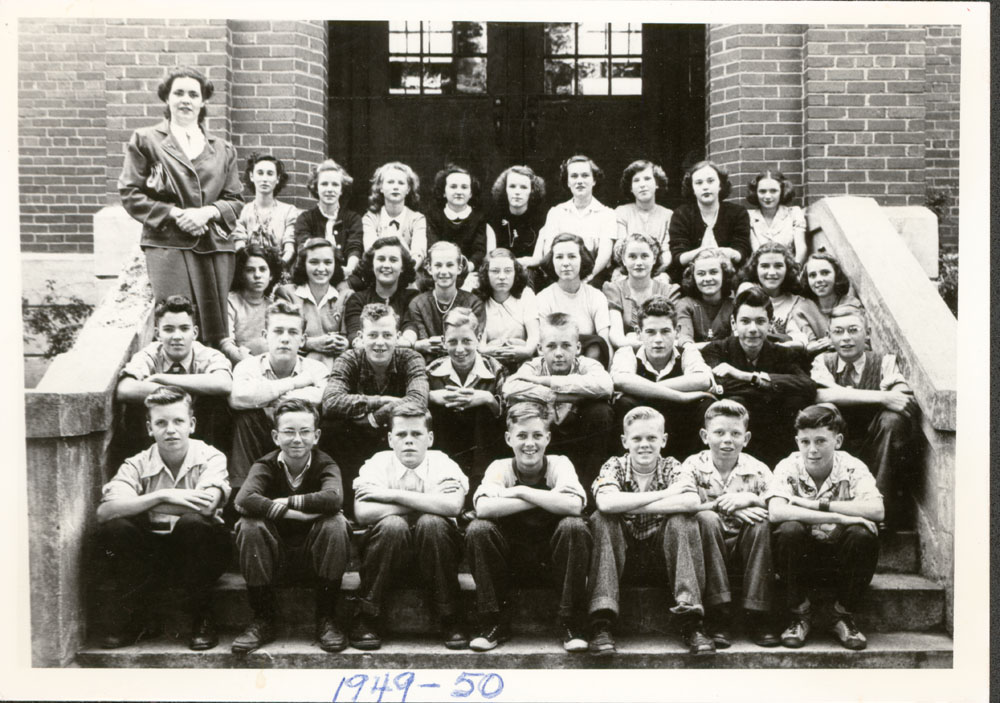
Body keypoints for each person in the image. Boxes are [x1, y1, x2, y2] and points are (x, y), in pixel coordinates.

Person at [93, 386, 230, 651]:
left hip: (200, 551)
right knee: (117, 529)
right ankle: (139, 618)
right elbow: (105, 512)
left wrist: (139, 504)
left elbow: (205, 507)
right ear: (149, 428)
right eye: (161, 423)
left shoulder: (211, 457)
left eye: (178, 421)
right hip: (152, 555)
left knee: (193, 525)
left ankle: (201, 617)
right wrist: (161, 496)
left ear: (191, 424)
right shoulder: (136, 464)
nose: (170, 429)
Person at [118, 66, 243, 347]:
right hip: (167, 244)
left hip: (215, 246)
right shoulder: (146, 140)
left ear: (203, 101)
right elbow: (130, 193)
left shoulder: (223, 149)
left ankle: (212, 387)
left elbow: (235, 201)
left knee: (215, 329)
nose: (186, 99)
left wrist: (206, 213)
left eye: (193, 94)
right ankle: (175, 388)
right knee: (176, 321)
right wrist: (174, 213)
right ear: (167, 99)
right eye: (179, 93)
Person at [465, 400, 592, 653]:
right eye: (521, 435)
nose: (529, 443)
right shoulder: (499, 468)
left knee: (574, 527)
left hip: (553, 559)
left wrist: (521, 492)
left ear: (547, 437)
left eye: (536, 435)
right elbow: (484, 509)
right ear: (508, 438)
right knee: (478, 530)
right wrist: (545, 500)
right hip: (511, 562)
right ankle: (494, 622)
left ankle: (570, 623)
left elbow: (574, 506)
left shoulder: (559, 464)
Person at [587, 406, 714, 657]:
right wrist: (666, 494)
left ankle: (691, 620)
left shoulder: (671, 466)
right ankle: (601, 621)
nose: (644, 445)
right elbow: (606, 503)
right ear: (625, 441)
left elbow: (690, 501)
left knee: (683, 520)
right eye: (636, 438)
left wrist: (632, 502)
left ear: (663, 440)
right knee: (602, 518)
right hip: (622, 556)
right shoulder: (614, 465)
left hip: (661, 556)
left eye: (651, 438)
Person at [231, 399, 351, 654]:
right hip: (274, 559)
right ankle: (263, 617)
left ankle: (326, 618)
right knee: (249, 525)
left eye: (304, 431)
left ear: (316, 435)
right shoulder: (265, 465)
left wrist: (287, 500)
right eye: (288, 431)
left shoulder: (325, 464)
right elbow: (243, 499)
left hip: (314, 558)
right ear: (275, 436)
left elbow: (333, 498)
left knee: (336, 524)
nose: (297, 439)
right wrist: (299, 515)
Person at [350, 404, 469, 651]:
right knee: (393, 525)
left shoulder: (443, 462)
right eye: (402, 435)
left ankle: (450, 615)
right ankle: (368, 615)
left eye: (416, 434)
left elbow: (453, 506)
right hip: (387, 555)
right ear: (390, 439)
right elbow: (362, 512)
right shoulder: (378, 463)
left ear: (430, 438)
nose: (409, 442)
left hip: (437, 553)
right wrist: (427, 501)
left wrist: (388, 495)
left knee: (432, 522)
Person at [767, 404, 884, 651]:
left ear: (838, 440)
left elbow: (876, 510)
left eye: (821, 441)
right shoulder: (788, 466)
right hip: (801, 558)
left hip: (840, 557)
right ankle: (800, 614)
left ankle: (841, 615)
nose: (812, 450)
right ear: (797, 441)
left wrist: (818, 505)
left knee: (863, 534)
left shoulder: (852, 467)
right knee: (789, 530)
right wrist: (843, 517)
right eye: (805, 441)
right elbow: (776, 511)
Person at [811, 305, 918, 525]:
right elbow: (821, 395)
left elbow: (901, 395)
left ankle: (880, 510)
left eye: (853, 330)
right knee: (822, 413)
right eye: (838, 332)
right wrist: (882, 397)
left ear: (867, 333)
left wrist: (887, 396)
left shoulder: (884, 361)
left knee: (893, 420)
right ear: (829, 336)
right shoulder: (823, 361)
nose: (846, 338)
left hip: (876, 444)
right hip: (840, 444)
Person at [684, 400, 779, 648]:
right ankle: (719, 613)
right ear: (705, 436)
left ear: (746, 438)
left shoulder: (757, 469)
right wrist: (725, 506)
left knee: (762, 521)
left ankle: (757, 613)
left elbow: (779, 504)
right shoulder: (692, 466)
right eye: (719, 433)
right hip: (707, 545)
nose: (727, 440)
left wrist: (750, 499)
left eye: (735, 433)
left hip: (746, 546)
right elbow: (684, 504)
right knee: (705, 517)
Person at [321, 304, 429, 514]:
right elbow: (330, 401)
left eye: (387, 335)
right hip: (357, 438)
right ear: (361, 337)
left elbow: (418, 401)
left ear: (397, 337)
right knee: (331, 426)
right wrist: (380, 400)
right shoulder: (349, 359)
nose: (380, 343)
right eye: (373, 335)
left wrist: (375, 417)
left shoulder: (411, 358)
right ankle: (347, 508)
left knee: (423, 420)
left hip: (394, 433)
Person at [701, 286, 817, 467]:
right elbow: (723, 386)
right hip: (734, 440)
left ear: (770, 324)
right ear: (733, 323)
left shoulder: (782, 353)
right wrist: (772, 388)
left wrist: (749, 377)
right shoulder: (716, 350)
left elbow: (808, 385)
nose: (753, 329)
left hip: (775, 439)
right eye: (745, 321)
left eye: (760, 321)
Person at [503, 313, 613, 496]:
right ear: (540, 348)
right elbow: (510, 388)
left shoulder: (588, 365)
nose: (559, 353)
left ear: (578, 347)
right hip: (544, 438)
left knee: (601, 412)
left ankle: (589, 497)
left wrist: (548, 381)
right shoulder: (532, 366)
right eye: (551, 346)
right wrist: (563, 396)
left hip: (580, 439)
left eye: (566, 345)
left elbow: (606, 385)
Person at [228, 301, 329, 493]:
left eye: (292, 332)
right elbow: (238, 398)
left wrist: (266, 397)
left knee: (315, 419)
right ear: (265, 336)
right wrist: (294, 384)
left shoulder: (316, 368)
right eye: (278, 331)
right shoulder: (248, 366)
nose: (285, 339)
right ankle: (244, 492)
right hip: (258, 437)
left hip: (300, 440)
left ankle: (312, 490)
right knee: (246, 418)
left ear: (302, 339)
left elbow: (322, 397)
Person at [116, 295, 233, 454]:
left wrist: (162, 379)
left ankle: (210, 464)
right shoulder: (150, 354)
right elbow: (125, 389)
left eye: (184, 329)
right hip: (159, 432)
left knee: (217, 401)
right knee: (134, 406)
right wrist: (183, 393)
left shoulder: (207, 354)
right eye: (169, 329)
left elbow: (224, 384)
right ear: (158, 334)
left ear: (195, 332)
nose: (177, 336)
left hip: (199, 429)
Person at [610, 296, 714, 459]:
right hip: (643, 434)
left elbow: (703, 379)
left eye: (665, 331)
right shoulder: (627, 352)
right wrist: (681, 396)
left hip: (679, 430)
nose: (658, 339)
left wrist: (647, 387)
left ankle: (695, 466)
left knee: (705, 404)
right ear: (638, 333)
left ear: (677, 332)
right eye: (650, 332)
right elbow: (621, 380)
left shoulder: (687, 352)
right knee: (625, 403)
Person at [427, 307, 506, 506]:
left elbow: (509, 413)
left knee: (482, 411)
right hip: (446, 439)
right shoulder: (432, 371)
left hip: (483, 442)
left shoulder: (495, 369)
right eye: (452, 341)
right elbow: (414, 403)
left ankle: (478, 492)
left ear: (478, 338)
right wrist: (431, 397)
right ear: (443, 341)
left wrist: (488, 399)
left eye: (467, 341)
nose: (460, 349)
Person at [528, 155, 616, 285]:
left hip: (593, 277)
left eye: (585, 175)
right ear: (568, 182)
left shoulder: (607, 214)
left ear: (594, 181)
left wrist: (588, 277)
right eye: (574, 176)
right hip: (559, 276)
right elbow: (549, 250)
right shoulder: (556, 212)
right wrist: (561, 277)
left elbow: (605, 253)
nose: (579, 181)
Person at [666, 160, 750, 284]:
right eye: (699, 183)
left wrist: (730, 253)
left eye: (710, 181)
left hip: (730, 280)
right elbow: (678, 258)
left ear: (720, 185)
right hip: (691, 281)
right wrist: (707, 251)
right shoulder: (681, 214)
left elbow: (741, 253)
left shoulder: (737, 213)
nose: (705, 186)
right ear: (692, 188)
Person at [535, 233, 612, 366]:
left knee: (596, 345)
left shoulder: (596, 296)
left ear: (582, 259)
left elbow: (605, 342)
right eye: (559, 257)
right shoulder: (543, 298)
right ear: (551, 261)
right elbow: (543, 345)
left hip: (590, 365)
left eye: (572, 256)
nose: (565, 263)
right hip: (556, 362)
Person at [738, 242, 826, 353]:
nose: (772, 272)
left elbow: (800, 337)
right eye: (765, 266)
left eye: (778, 266)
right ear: (755, 269)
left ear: (787, 268)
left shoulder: (797, 302)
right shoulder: (746, 292)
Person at [402, 241, 486, 358]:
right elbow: (424, 343)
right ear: (429, 268)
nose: (444, 271)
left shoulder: (473, 303)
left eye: (450, 265)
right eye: (438, 265)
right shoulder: (418, 304)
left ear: (459, 268)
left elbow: (474, 342)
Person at [275, 238, 349, 370]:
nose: (321, 268)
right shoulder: (287, 294)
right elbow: (282, 335)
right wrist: (310, 343)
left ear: (335, 265)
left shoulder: (345, 296)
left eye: (328, 262)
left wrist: (345, 343)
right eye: (314, 262)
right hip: (297, 366)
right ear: (304, 264)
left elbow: (348, 336)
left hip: (336, 367)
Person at [604, 232, 680, 351]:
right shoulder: (614, 289)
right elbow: (617, 338)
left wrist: (632, 338)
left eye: (644, 256)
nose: (638, 262)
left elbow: (676, 337)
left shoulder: (668, 291)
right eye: (632, 256)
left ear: (654, 258)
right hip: (627, 353)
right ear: (623, 259)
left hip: (663, 353)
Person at [293, 159, 364, 277]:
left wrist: (349, 269)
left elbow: (354, 246)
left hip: (345, 275)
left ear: (341, 190)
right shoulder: (305, 218)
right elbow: (304, 247)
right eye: (324, 184)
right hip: (314, 276)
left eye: (335, 184)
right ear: (316, 187)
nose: (330, 189)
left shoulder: (353, 218)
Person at [343, 235, 418, 342]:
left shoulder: (412, 298)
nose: (386, 265)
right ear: (371, 265)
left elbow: (410, 327)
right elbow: (354, 334)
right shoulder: (357, 299)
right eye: (381, 259)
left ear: (403, 267)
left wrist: (407, 341)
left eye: (393, 260)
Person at [476, 248, 540, 369]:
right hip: (490, 362)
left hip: (523, 361)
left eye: (508, 271)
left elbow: (533, 337)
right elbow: (481, 346)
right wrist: (495, 351)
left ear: (515, 273)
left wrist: (525, 351)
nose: (502, 277)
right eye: (495, 271)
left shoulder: (526, 294)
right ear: (486, 274)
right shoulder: (479, 299)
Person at [220, 243, 283, 366]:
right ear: (241, 275)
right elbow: (226, 344)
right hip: (240, 362)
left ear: (271, 275)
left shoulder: (273, 306)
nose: (257, 275)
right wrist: (247, 362)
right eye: (250, 270)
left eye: (263, 269)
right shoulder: (230, 302)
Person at [232, 153, 299, 265]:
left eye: (270, 174)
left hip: (280, 272)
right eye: (260, 173)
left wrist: (278, 266)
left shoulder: (288, 211)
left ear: (277, 178)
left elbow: (290, 248)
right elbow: (239, 246)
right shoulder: (243, 211)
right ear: (251, 176)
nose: (264, 179)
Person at [362, 161, 427, 268]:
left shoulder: (417, 219)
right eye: (390, 182)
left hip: (409, 275)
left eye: (401, 183)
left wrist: (405, 274)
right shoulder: (370, 218)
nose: (395, 187)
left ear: (408, 189)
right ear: (381, 188)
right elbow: (371, 251)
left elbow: (418, 253)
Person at [485, 165, 548, 276]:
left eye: (523, 187)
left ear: (532, 191)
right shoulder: (493, 218)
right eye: (512, 186)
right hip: (499, 271)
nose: (517, 192)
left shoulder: (541, 219)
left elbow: (537, 259)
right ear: (505, 189)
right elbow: (490, 257)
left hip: (529, 273)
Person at [426, 164, 489, 273]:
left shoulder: (479, 218)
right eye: (453, 187)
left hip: (469, 270)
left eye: (464, 187)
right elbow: (433, 246)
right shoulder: (434, 216)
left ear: (471, 193)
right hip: (440, 270)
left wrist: (467, 268)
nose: (459, 192)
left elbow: (479, 251)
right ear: (443, 192)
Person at [613, 159, 673, 274]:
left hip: (657, 272)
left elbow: (666, 252)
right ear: (630, 188)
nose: (642, 185)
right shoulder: (621, 212)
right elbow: (619, 249)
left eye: (647, 179)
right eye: (636, 180)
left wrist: (656, 271)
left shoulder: (667, 215)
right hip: (627, 271)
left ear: (657, 184)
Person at [675, 248, 737, 350]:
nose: (707, 279)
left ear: (724, 274)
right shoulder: (685, 305)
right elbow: (685, 341)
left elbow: (736, 344)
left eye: (713, 272)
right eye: (701, 274)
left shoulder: (734, 305)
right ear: (693, 277)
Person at [745, 169, 807, 265]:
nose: (768, 196)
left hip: (790, 269)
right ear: (755, 193)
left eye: (773, 191)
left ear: (782, 191)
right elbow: (755, 252)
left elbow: (801, 248)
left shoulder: (793, 213)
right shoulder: (748, 217)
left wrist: (795, 268)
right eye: (762, 191)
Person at [799, 252, 863, 329]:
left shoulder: (851, 304)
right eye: (812, 275)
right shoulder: (803, 309)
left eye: (825, 273)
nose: (819, 279)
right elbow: (808, 338)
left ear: (836, 275)